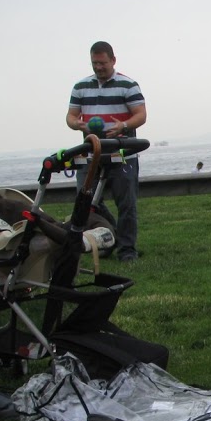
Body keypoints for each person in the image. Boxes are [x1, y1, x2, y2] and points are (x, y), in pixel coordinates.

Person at [65, 40, 146, 262]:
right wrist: (77, 124)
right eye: (94, 63)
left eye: (102, 63)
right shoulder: (80, 87)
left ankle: (127, 250)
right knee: (87, 201)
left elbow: (141, 115)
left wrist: (123, 126)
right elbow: (70, 117)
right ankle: (117, 235)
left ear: (113, 60)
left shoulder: (128, 85)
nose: (99, 67)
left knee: (126, 204)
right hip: (91, 154)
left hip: (123, 155)